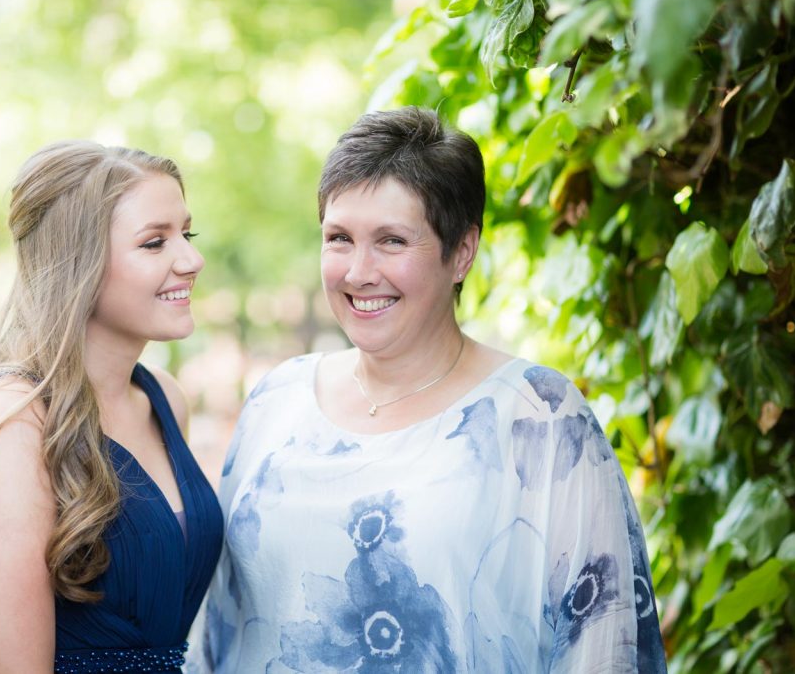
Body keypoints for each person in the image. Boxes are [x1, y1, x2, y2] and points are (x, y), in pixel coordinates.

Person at [200, 108, 666, 672]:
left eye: (392, 241)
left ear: (462, 252)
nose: (358, 271)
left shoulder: (541, 418)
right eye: (339, 238)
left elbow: (604, 642)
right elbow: (216, 632)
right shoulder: (277, 400)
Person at [0, 141, 223, 673]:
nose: (192, 259)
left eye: (188, 233)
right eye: (155, 243)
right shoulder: (12, 423)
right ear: (78, 263)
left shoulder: (163, 400)